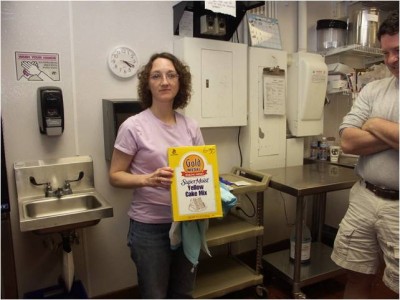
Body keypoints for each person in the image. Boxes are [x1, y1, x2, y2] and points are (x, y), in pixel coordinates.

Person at [109, 52, 205, 298]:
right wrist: (147, 179)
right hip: (149, 228)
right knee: (155, 294)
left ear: (179, 82)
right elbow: (115, 175)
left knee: (183, 293)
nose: (165, 81)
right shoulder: (133, 126)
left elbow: (201, 170)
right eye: (157, 76)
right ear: (147, 84)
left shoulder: (190, 126)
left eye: (171, 75)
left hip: (186, 225)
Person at [331, 11, 399, 298]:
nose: (391, 60)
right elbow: (347, 140)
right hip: (365, 197)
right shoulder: (374, 89)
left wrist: (375, 124)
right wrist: (393, 135)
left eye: (398, 50)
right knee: (355, 274)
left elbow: (361, 137)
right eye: (386, 53)